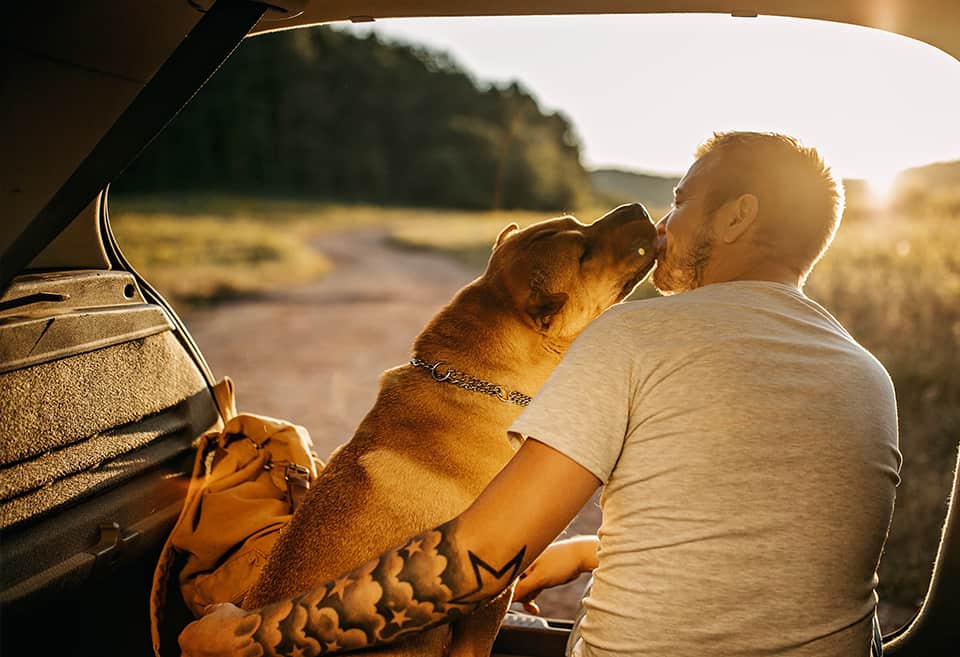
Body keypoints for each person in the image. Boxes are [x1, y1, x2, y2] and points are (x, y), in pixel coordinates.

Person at [178, 132, 901, 657]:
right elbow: (758, 532)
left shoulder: (639, 337)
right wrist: (592, 549)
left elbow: (472, 562)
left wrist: (247, 635)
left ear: (737, 217)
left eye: (681, 202)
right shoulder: (869, 376)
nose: (662, 222)